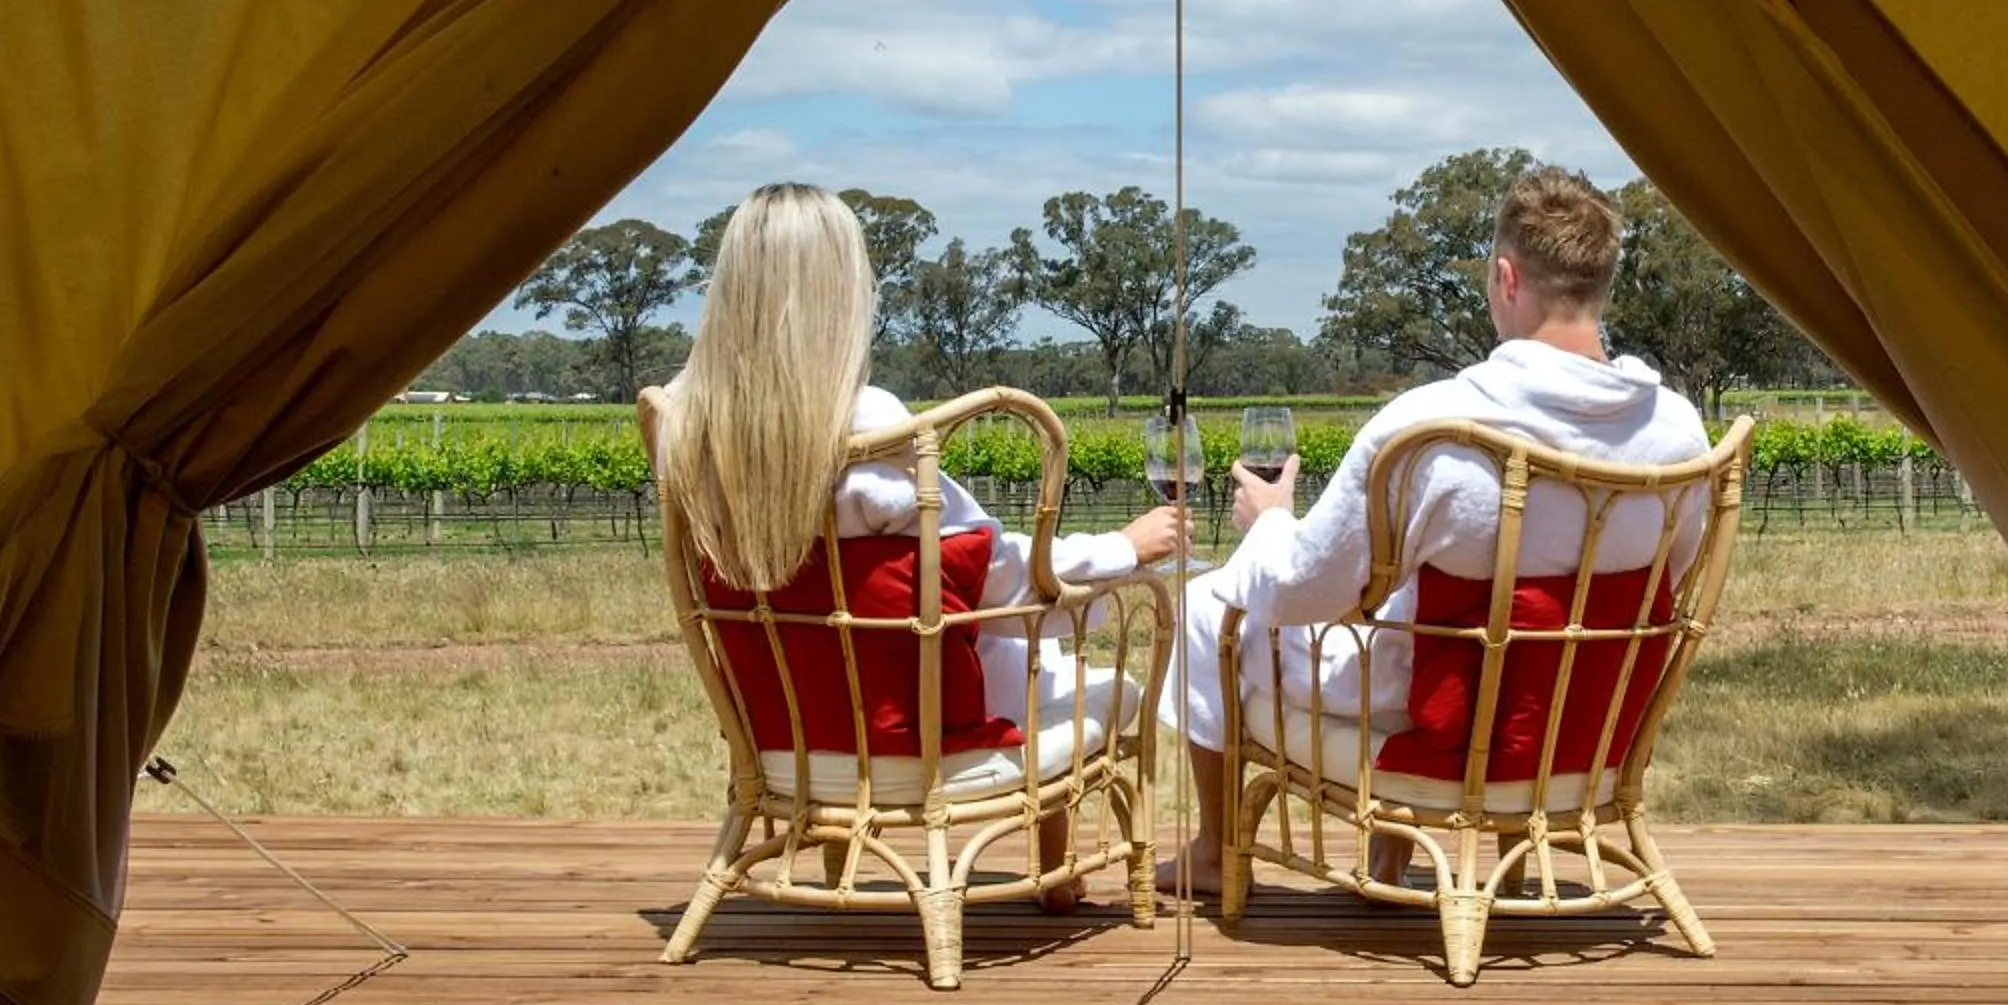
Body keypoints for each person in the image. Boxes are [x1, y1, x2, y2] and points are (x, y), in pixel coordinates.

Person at [1160, 166, 1710, 895]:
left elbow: (1304, 592)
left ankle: (1215, 850)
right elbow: (1664, 580)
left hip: (1448, 712)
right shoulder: (1677, 429)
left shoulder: (1432, 428)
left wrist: (1271, 524)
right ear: (1602, 283)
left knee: (1208, 605)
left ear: (1506, 278)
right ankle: (1392, 850)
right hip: (1585, 721)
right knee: (1423, 608)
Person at [648, 183, 1186, 911]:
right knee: (1036, 647)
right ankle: (1060, 874)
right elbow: (1000, 581)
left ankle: (845, 855)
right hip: (913, 740)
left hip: (783, 735)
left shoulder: (681, 422)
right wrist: (1124, 548)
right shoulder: (870, 424)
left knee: (971, 637)